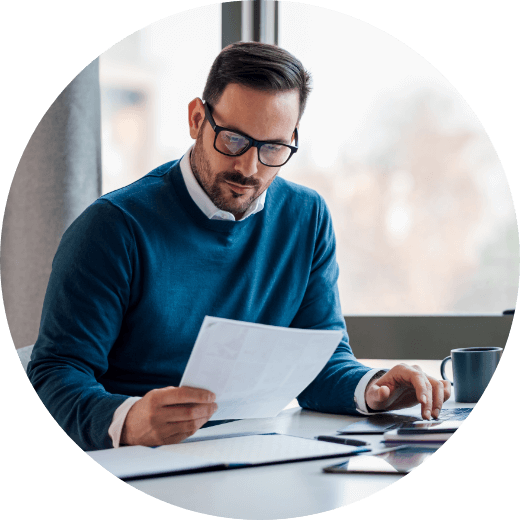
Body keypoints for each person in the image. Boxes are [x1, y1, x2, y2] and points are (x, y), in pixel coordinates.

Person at [28, 42, 450, 451]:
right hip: (135, 458)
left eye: (273, 148)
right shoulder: (113, 227)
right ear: (197, 119)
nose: (249, 168)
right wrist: (128, 419)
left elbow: (319, 359)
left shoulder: (307, 217)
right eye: (233, 139)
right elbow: (54, 375)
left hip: (255, 451)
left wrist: (373, 388)